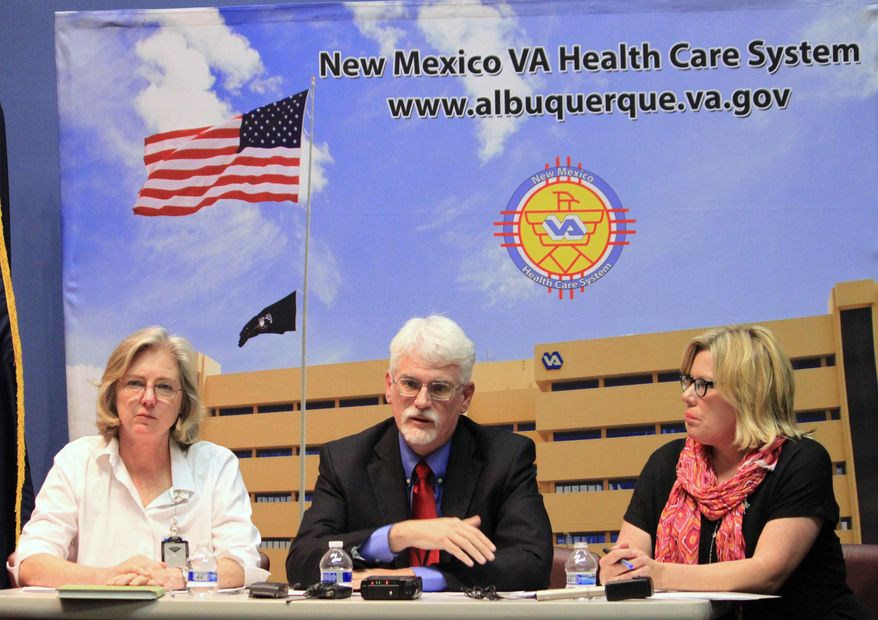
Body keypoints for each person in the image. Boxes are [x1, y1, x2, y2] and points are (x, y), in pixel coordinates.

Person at [600, 325, 864, 618]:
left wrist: (657, 574)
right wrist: (617, 569)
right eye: (687, 381)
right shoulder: (667, 462)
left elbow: (765, 573)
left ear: (749, 394)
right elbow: (628, 561)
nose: (687, 395)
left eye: (703, 384)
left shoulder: (801, 460)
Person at [286, 315, 552, 592]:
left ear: (466, 397)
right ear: (389, 387)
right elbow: (302, 563)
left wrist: (415, 576)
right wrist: (398, 535)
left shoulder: (506, 458)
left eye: (439, 388)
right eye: (410, 384)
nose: (422, 402)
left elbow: (532, 564)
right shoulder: (344, 460)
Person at [11, 327, 268, 589]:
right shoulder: (76, 461)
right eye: (134, 383)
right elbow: (31, 562)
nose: (148, 398)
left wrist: (180, 578)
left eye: (164, 387)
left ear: (183, 403)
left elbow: (241, 564)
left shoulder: (217, 465)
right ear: (114, 392)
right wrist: (108, 577)